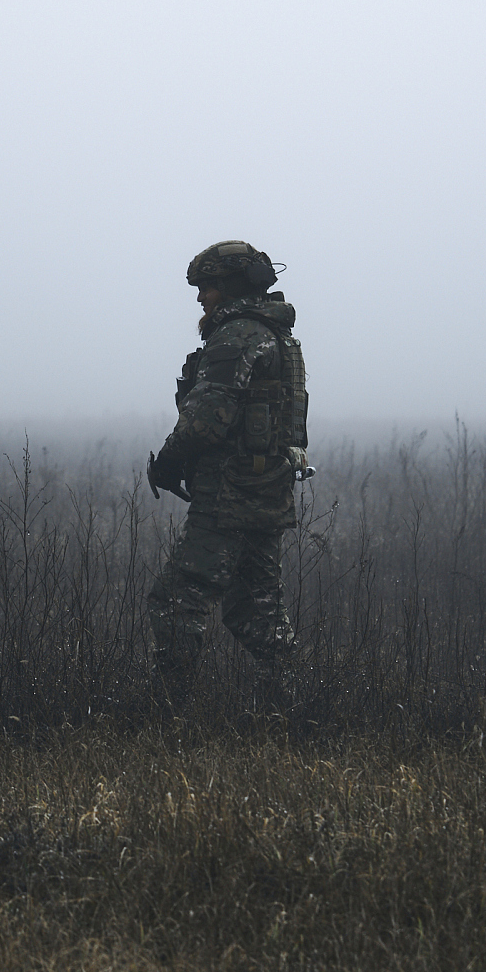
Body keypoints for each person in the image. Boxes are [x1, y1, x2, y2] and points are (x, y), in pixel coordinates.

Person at [143, 240, 310, 707]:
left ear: (231, 287)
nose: (201, 298)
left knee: (177, 598)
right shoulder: (274, 334)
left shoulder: (236, 336)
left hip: (229, 494)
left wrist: (170, 461)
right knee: (256, 610)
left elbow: (206, 418)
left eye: (208, 288)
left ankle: (170, 711)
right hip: (268, 491)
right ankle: (291, 706)